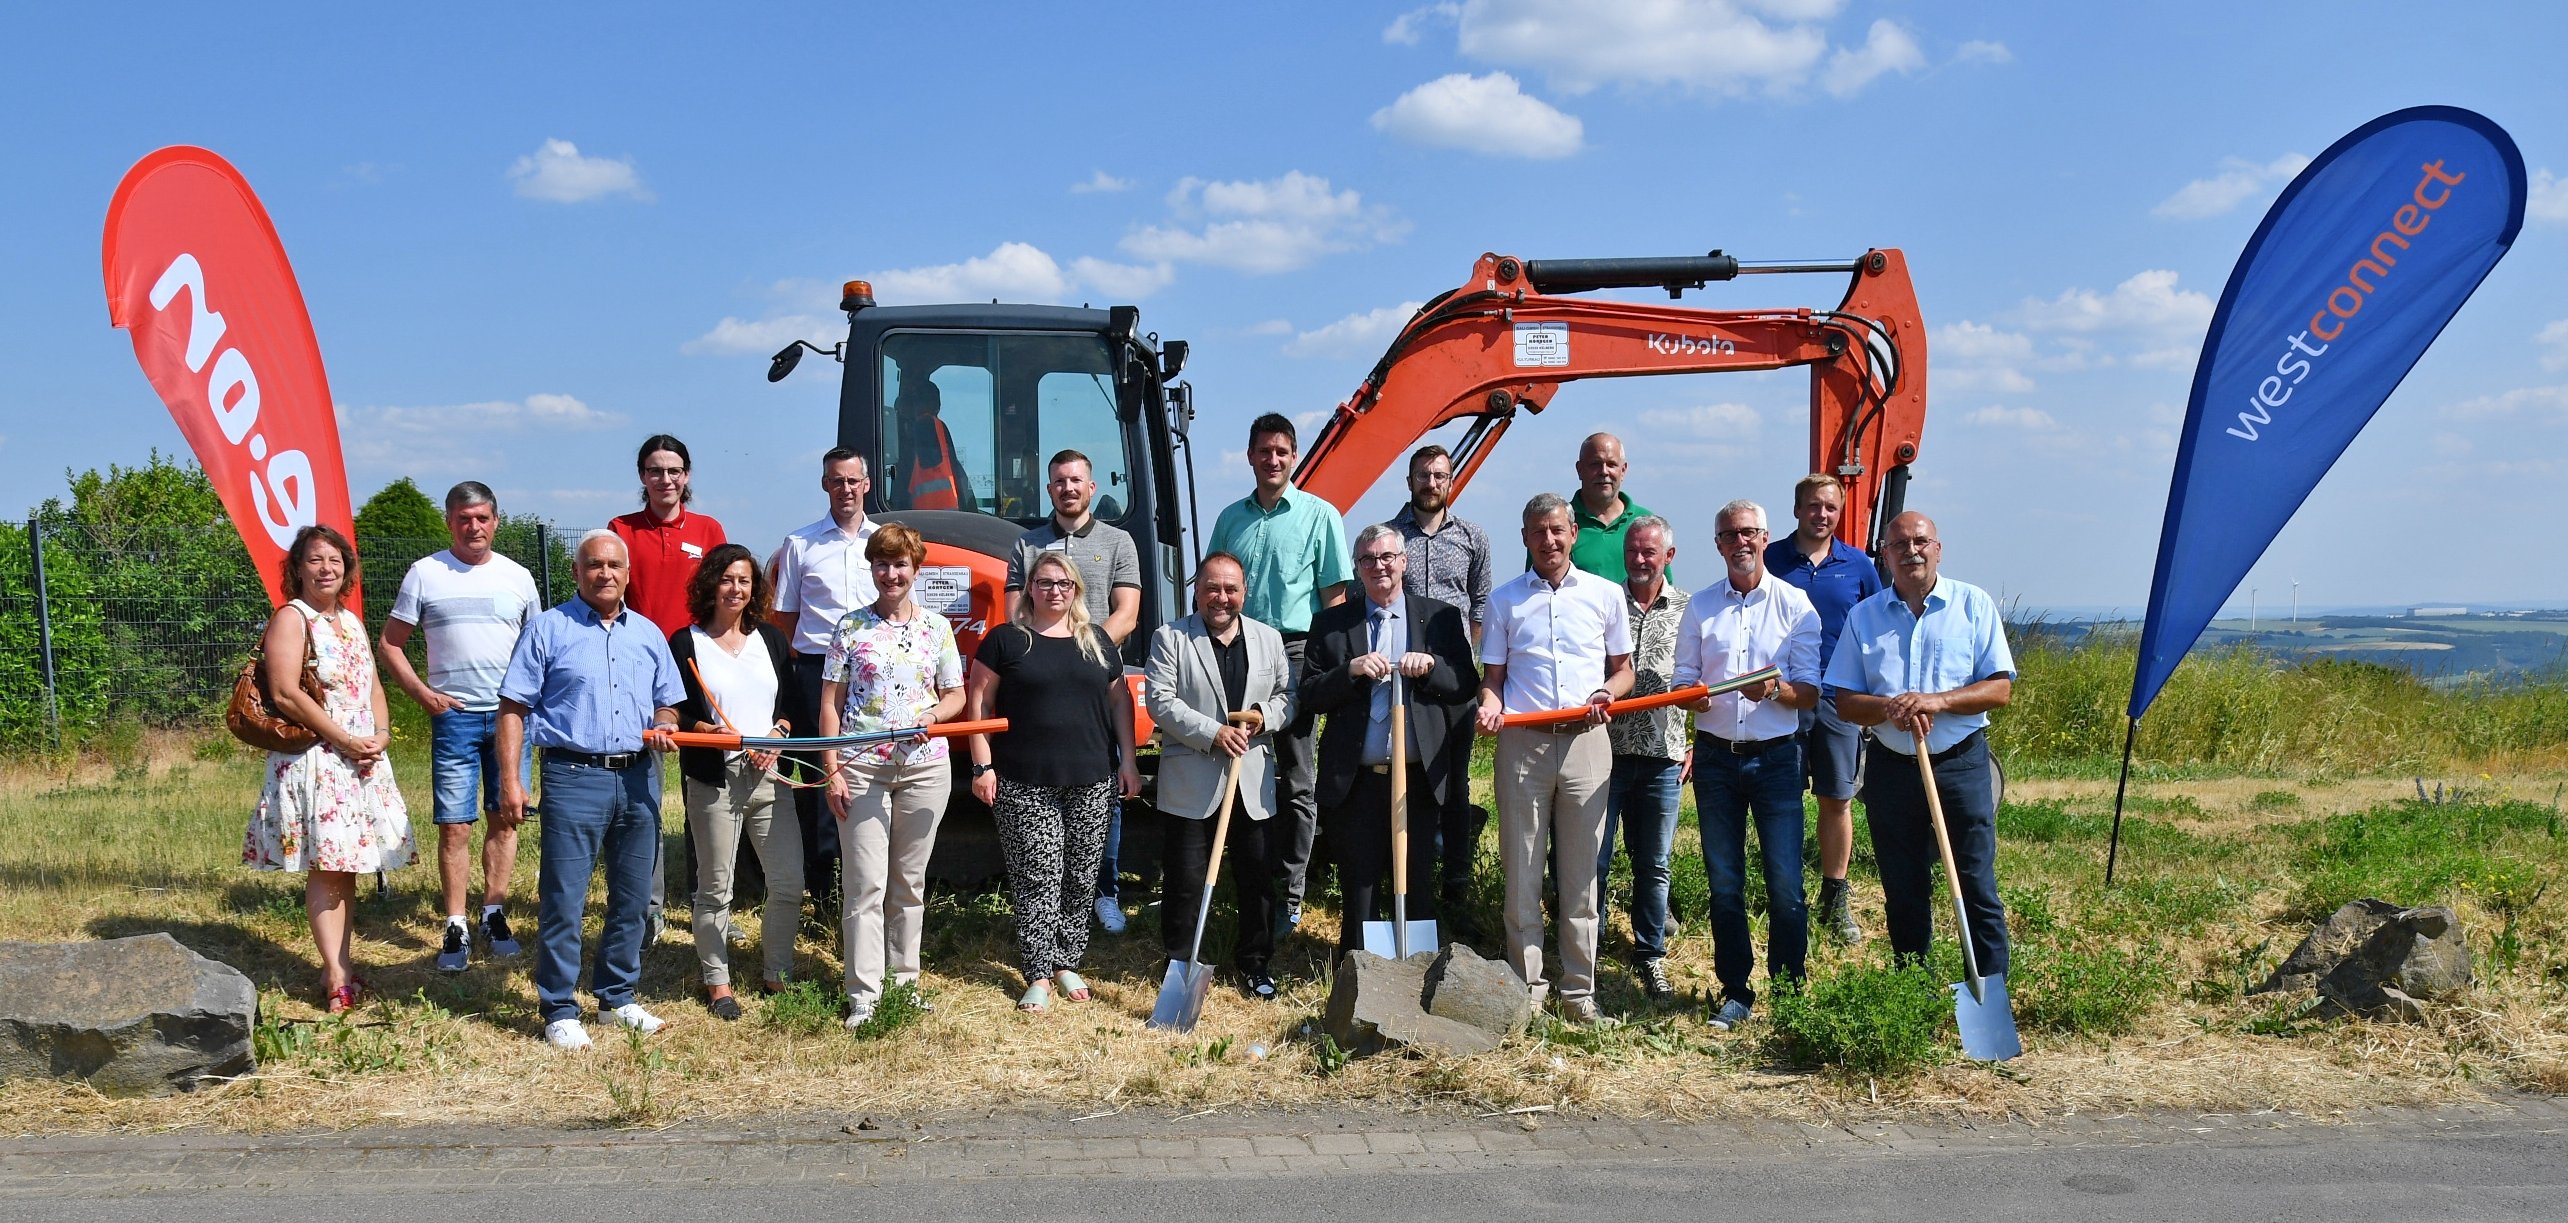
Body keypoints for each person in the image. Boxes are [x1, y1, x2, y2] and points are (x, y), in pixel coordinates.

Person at [496, 530, 687, 1051]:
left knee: (631, 896)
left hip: (639, 776)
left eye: (614, 565)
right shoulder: (547, 630)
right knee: (565, 897)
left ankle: (616, 998)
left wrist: (665, 721)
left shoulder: (647, 634)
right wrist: (512, 780)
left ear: (628, 574)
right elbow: (513, 708)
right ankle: (558, 1006)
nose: (605, 574)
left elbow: (668, 701)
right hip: (573, 774)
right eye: (594, 565)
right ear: (577, 573)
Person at [1824, 512, 2016, 985]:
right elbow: (1845, 701)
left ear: (1938, 548)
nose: (1911, 551)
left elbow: (1999, 689)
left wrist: (1937, 701)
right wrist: (1893, 707)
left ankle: (1990, 989)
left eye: (1920, 541)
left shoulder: (1972, 605)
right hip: (1891, 768)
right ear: (1885, 556)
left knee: (1975, 883)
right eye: (1899, 544)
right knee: (1903, 888)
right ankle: (1914, 990)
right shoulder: (1864, 617)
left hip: (1960, 764)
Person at [1475, 494, 1633, 1025]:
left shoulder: (1606, 596)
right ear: (1525, 537)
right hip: (1525, 745)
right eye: (1538, 532)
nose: (1549, 541)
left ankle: (1578, 995)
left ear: (1573, 534)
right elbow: (1493, 682)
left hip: (1588, 743)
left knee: (1582, 875)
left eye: (1558, 530)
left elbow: (1624, 670)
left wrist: (1609, 692)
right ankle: (1527, 993)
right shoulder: (1503, 602)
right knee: (1521, 871)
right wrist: (1490, 708)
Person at [243, 526, 413, 1014]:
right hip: (317, 756)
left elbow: (373, 687)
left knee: (348, 865)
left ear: (347, 569)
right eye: (315, 560)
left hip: (360, 757)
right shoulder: (291, 618)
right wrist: (343, 738)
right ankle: (337, 974)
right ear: (298, 568)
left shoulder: (352, 622)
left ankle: (336, 961)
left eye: (335, 560)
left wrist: (380, 736)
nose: (326, 569)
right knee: (328, 864)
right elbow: (285, 693)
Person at [964, 552, 1141, 1012]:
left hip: (1092, 776)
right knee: (1038, 874)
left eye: (1064, 583)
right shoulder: (1007, 640)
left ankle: (1067, 961)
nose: (1054, 591)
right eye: (1044, 582)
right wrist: (982, 766)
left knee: (1081, 876)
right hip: (1024, 779)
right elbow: (978, 703)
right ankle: (1039, 971)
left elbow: (1119, 704)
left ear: (1077, 589)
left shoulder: (1097, 641)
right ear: (1030, 590)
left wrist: (1129, 761)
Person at [379, 481, 539, 975]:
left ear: (496, 520)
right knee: (454, 825)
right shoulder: (425, 574)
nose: (474, 527)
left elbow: (538, 650)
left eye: (483, 518)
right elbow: (390, 643)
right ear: (450, 521)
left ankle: (493, 912)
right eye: (464, 519)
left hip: (512, 718)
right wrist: (423, 695)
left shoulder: (519, 577)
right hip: (454, 718)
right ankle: (455, 923)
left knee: (506, 818)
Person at [1674, 501, 1822, 1032]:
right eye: (1730, 534)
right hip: (1716, 758)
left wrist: (1777, 690)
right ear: (1718, 544)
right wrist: (1688, 697)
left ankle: (1787, 988)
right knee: (1724, 882)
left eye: (1750, 533)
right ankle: (1735, 991)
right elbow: (1683, 680)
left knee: (1785, 883)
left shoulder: (1796, 604)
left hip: (1777, 760)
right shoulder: (1700, 608)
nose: (1741, 542)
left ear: (1765, 539)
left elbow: (1809, 692)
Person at [1203, 413, 1352, 933]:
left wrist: (1326, 667)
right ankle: (1237, 882)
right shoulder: (1229, 519)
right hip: (1235, 648)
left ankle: (1290, 893)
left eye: (1283, 452)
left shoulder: (1320, 516)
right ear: (1250, 455)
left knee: (1296, 777)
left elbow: (1334, 598)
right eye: (1264, 451)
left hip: (1293, 651)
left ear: (1295, 456)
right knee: (1231, 766)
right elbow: (1212, 589)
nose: (1273, 460)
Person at [1301, 525, 1477, 965]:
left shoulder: (1438, 618)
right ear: (1357, 569)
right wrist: (1352, 670)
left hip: (1417, 781)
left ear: (1402, 561)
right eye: (1367, 559)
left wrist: (1432, 666)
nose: (1378, 566)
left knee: (1415, 881)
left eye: (1386, 557)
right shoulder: (1332, 625)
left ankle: (1416, 972)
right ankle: (1355, 976)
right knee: (1359, 886)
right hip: (1357, 781)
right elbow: (1310, 694)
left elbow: (1464, 685)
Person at [821, 524, 965, 1027]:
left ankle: (903, 984)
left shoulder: (937, 628)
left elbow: (955, 694)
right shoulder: (850, 627)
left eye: (900, 564)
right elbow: (830, 705)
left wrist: (934, 716)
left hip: (925, 768)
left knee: (909, 881)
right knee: (865, 884)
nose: (891, 573)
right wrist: (832, 768)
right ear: (872, 569)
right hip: (862, 768)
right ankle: (863, 992)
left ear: (915, 569)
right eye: (882, 564)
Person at [1143, 553, 1295, 998]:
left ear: (1243, 592)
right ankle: (1180, 965)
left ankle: (1254, 963)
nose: (1221, 598)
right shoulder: (1170, 638)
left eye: (1230, 589)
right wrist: (1213, 733)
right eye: (1212, 588)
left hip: (1251, 784)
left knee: (1256, 879)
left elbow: (1288, 696)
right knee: (1186, 881)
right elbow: (1161, 702)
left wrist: (1263, 718)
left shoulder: (1268, 639)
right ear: (1197, 590)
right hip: (1192, 781)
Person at [1004, 449, 1142, 934]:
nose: (1068, 488)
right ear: (1050, 490)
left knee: (1101, 784)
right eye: (1059, 481)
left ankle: (1103, 892)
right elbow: (1013, 614)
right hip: (1040, 690)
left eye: (1076, 481)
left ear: (1092, 487)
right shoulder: (1027, 545)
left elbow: (1127, 610)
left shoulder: (1118, 542)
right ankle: (1043, 896)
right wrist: (1049, 656)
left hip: (1097, 684)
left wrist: (1087, 652)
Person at [667, 543, 805, 1020]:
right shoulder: (685, 642)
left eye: (744, 580)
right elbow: (676, 711)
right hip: (714, 777)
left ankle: (776, 973)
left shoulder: (770, 639)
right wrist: (707, 731)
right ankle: (717, 983)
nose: (736, 588)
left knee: (788, 882)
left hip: (769, 773)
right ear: (710, 584)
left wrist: (778, 734)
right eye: (727, 579)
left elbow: (791, 705)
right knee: (715, 888)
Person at [610, 434, 728, 937]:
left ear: (687, 476)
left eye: (674, 470)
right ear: (642, 477)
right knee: (646, 798)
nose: (666, 479)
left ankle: (711, 902)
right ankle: (650, 906)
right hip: (640, 674)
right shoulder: (621, 530)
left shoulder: (708, 529)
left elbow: (726, 596)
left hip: (700, 670)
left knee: (707, 796)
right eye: (656, 470)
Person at [1766, 473, 1886, 944]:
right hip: (1783, 699)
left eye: (1831, 508)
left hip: (1838, 700)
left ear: (1840, 512)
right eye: (1813, 506)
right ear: (1797, 509)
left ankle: (1835, 896)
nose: (1822, 515)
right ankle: (1786, 890)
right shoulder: (1771, 559)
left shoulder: (1858, 565)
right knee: (1782, 799)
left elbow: (1877, 626)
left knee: (1836, 799)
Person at [769, 448, 880, 932]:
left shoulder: (888, 543)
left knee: (870, 775)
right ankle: (823, 893)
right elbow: (784, 622)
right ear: (824, 485)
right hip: (817, 674)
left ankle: (869, 886)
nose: (846, 489)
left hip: (874, 676)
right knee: (821, 785)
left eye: (853, 480)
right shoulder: (801, 544)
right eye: (836, 481)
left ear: (867, 484)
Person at [1389, 443, 1493, 931]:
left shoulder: (1473, 536)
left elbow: (1481, 603)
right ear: (1409, 481)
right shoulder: (1391, 537)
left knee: (1454, 780)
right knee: (1403, 773)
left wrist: (1462, 657)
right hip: (1402, 671)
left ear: (1451, 482)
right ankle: (1405, 877)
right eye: (1422, 475)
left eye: (1440, 476)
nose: (1431, 483)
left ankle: (1456, 883)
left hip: (1452, 676)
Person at [1596, 516, 1689, 1002]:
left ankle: (1650, 954)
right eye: (1632, 551)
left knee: (1654, 863)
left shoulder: (1690, 609)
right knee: (1595, 858)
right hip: (1604, 755)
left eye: (1649, 552)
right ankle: (1585, 950)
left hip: (1662, 756)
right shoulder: (1605, 603)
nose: (1638, 559)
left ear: (1667, 557)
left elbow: (1701, 678)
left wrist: (1691, 743)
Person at [1567, 433, 1658, 583]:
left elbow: (1664, 591)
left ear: (1623, 470)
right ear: (1579, 469)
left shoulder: (1648, 523)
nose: (1604, 471)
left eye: (1611, 464)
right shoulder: (1558, 526)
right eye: (1595, 464)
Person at [889, 381, 970, 511]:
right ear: (938, 405)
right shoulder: (939, 429)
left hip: (925, 518)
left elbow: (905, 475)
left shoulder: (925, 427)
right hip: (945, 514)